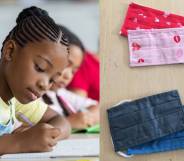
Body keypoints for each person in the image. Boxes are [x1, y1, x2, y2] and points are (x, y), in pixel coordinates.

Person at [0, 6, 71, 154]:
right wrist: (20, 142)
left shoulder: (15, 99)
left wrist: (47, 135)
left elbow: (61, 121)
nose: (45, 85)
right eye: (39, 68)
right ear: (10, 51)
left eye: (52, 80)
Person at [58, 25, 100, 101]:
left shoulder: (59, 93)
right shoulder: (84, 60)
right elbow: (78, 101)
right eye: (66, 64)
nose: (68, 76)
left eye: (73, 72)